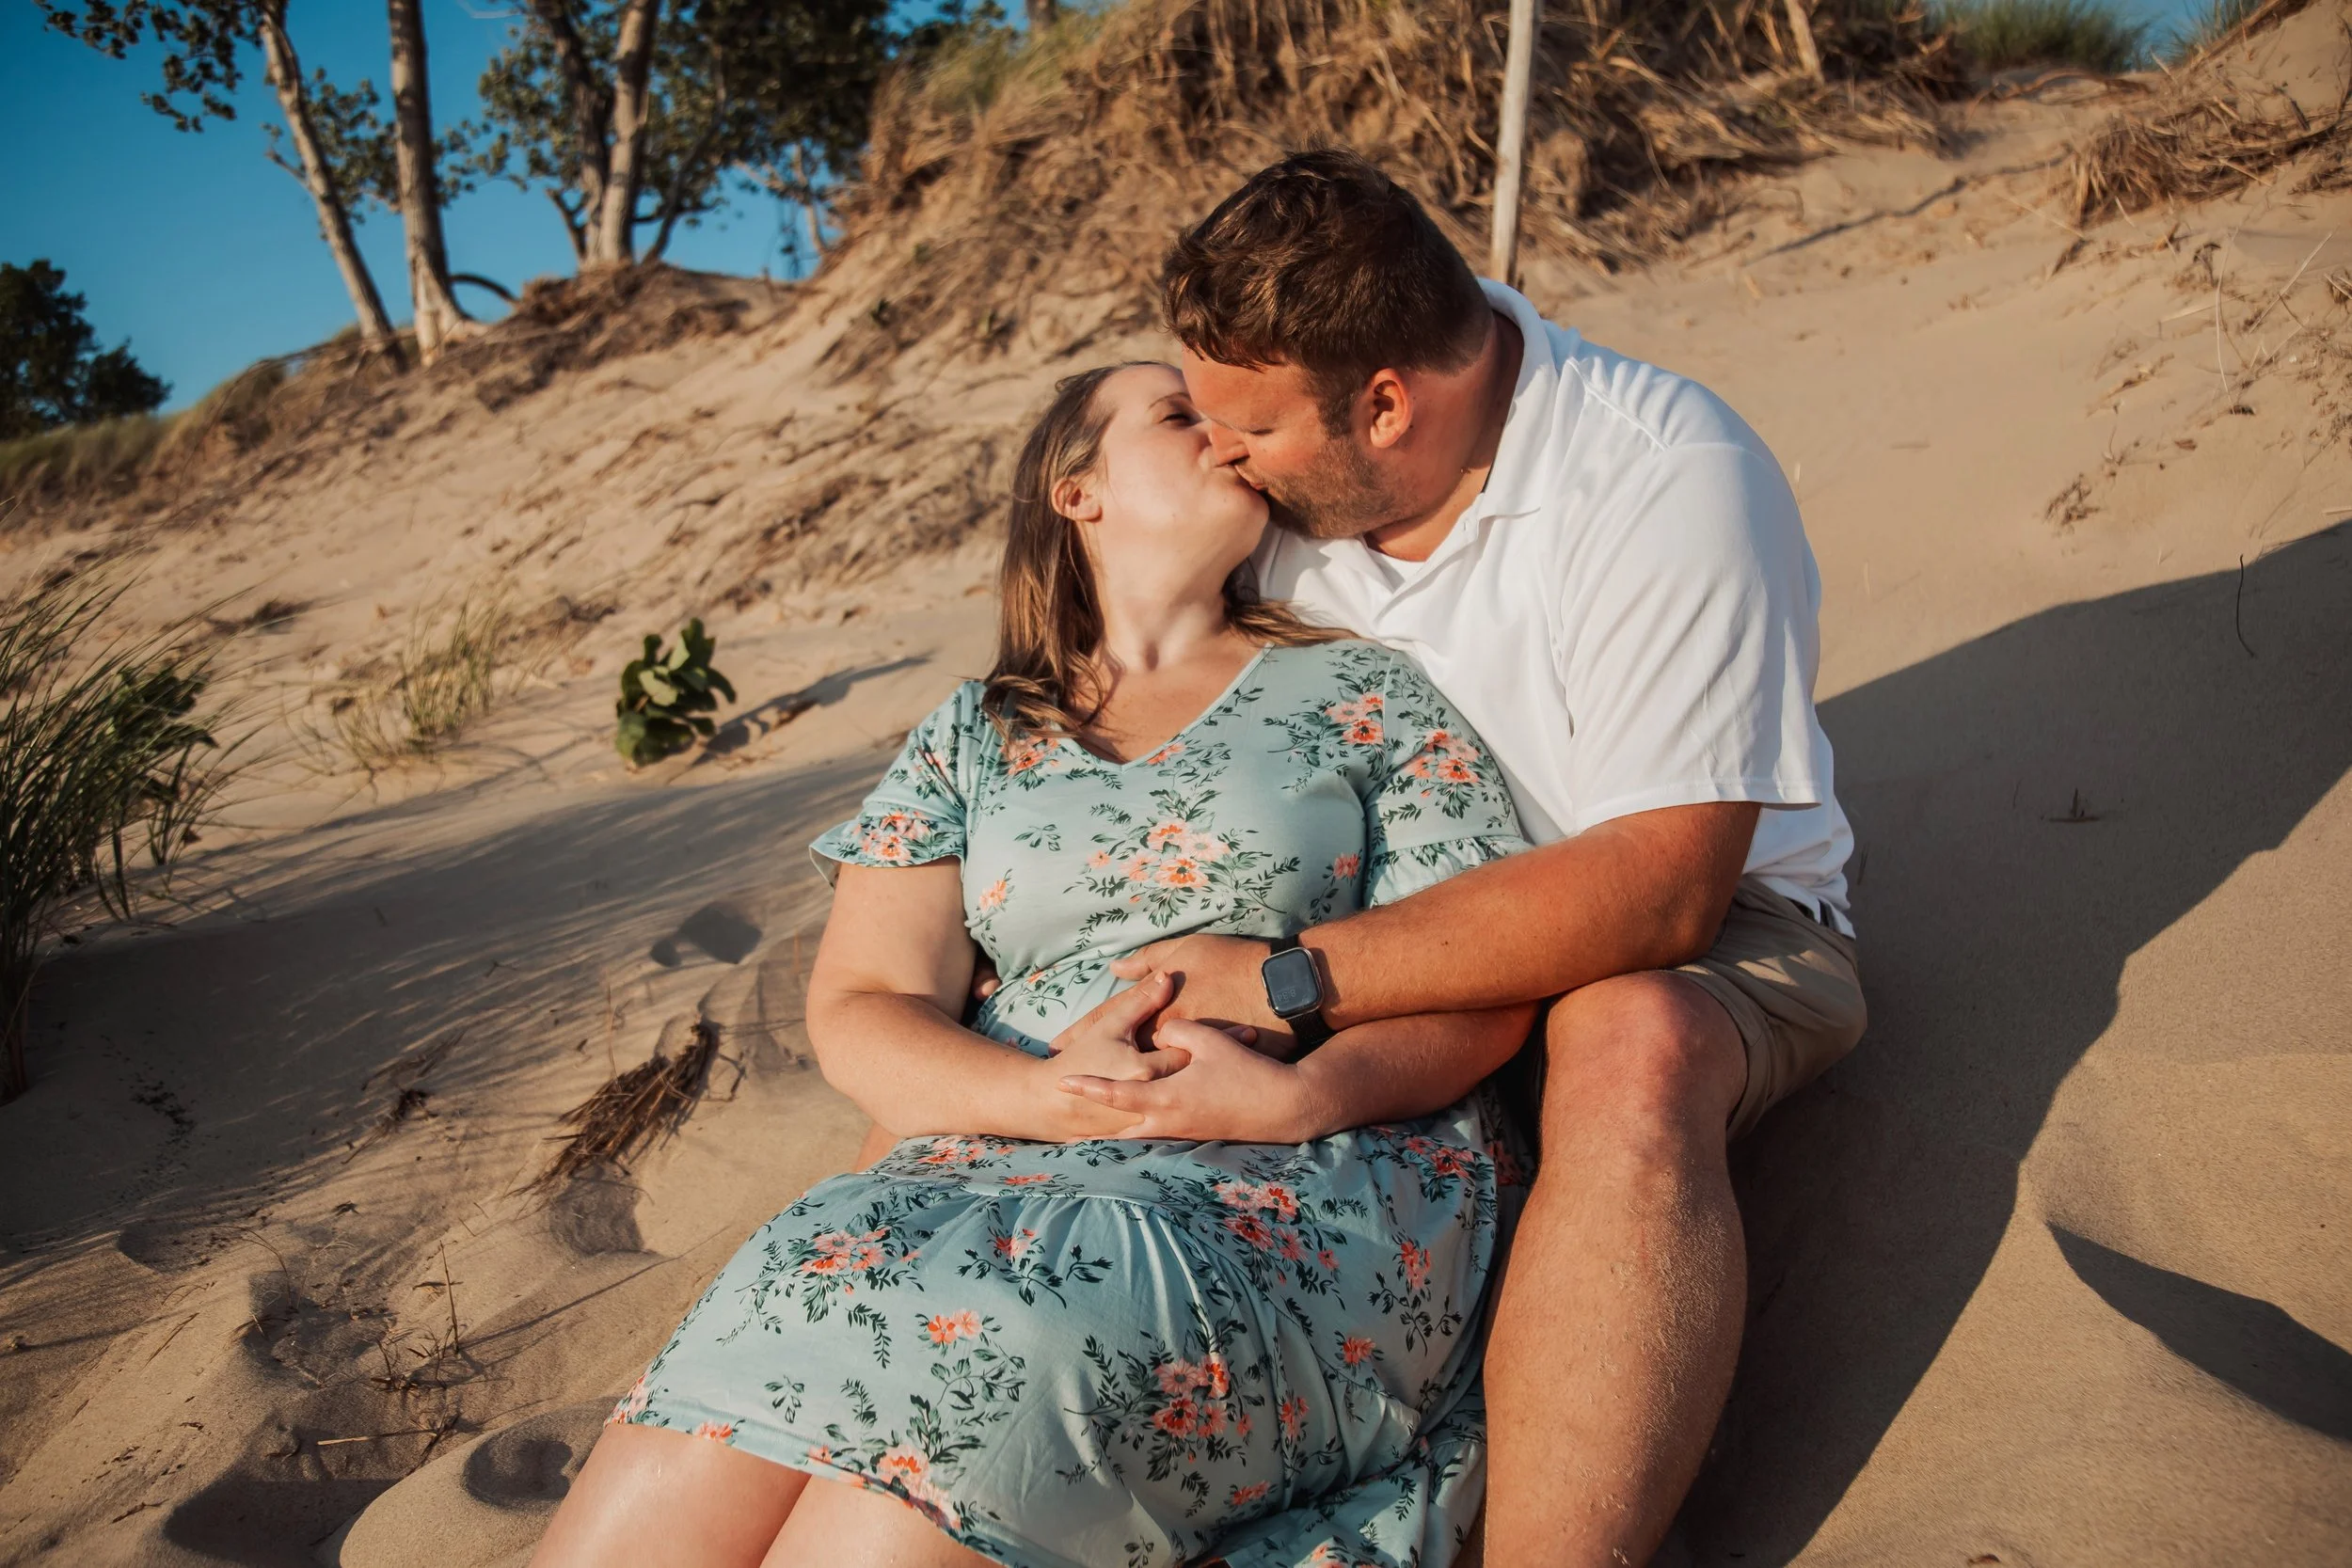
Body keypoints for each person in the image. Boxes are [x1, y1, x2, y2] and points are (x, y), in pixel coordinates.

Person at [532, 359, 1538, 1568]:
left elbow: (1484, 978)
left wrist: (1306, 1091)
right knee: (745, 1350)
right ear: (1078, 492)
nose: (1221, 431)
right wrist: (1055, 1096)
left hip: (1288, 1168)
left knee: (991, 1383)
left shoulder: (1364, 691)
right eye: (1178, 415)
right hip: (982, 1162)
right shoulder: (975, 733)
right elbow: (863, 1005)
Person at [1075, 150, 1867, 1567]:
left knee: (1633, 1043)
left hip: (1699, 933)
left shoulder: (1661, 476)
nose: (1219, 452)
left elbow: (1668, 881)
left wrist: (1293, 975)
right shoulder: (1277, 499)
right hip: (1371, 932)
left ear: (1387, 403)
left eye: (1246, 426)